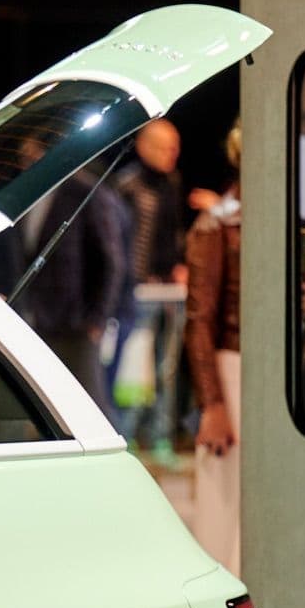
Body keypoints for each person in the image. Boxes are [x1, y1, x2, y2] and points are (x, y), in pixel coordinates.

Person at [109, 119, 190, 466]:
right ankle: (123, 436)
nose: (171, 153)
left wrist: (179, 265)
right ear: (144, 147)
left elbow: (173, 233)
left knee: (165, 369)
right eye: (164, 146)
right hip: (136, 293)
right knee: (132, 368)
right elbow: (118, 240)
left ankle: (161, 438)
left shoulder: (172, 183)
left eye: (175, 147)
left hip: (168, 292)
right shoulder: (126, 184)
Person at [18, 166, 129, 415]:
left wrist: (97, 319)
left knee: (91, 407)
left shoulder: (84, 191)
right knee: (46, 406)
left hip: (76, 325)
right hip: (36, 323)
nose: (30, 157)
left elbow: (110, 261)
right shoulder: (27, 196)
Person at [185, 122, 244, 574]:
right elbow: (199, 321)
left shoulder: (287, 217)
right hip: (230, 372)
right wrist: (213, 405)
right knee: (222, 516)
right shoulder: (216, 223)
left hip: (268, 373)